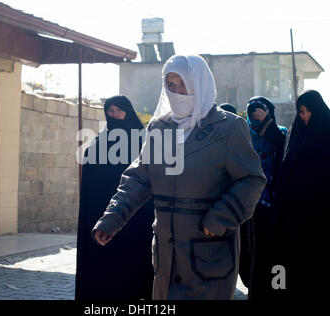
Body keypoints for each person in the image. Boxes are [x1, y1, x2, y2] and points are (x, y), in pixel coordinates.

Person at [92, 55, 266, 300]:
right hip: (167, 252)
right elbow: (139, 178)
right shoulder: (159, 128)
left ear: (199, 84)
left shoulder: (229, 128)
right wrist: (113, 218)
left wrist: (219, 218)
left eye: (182, 84)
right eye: (170, 86)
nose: (176, 92)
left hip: (209, 251)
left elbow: (251, 179)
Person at [272, 90, 330, 300]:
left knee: (323, 276)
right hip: (296, 220)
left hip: (326, 222)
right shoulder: (295, 134)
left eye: (309, 111)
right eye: (301, 111)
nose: (305, 116)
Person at [75, 95, 155, 300]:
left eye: (119, 110)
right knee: (104, 256)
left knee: (132, 257)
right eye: (111, 111)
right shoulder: (101, 138)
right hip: (101, 208)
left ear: (128, 111)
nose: (115, 115)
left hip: (133, 210)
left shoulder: (142, 138)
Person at [238, 97, 287, 299]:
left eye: (261, 112)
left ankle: (274, 288)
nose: (256, 117)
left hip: (272, 202)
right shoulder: (242, 133)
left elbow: (284, 149)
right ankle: (253, 288)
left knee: (270, 248)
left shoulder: (280, 132)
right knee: (247, 249)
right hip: (246, 201)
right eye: (253, 113)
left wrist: (267, 124)